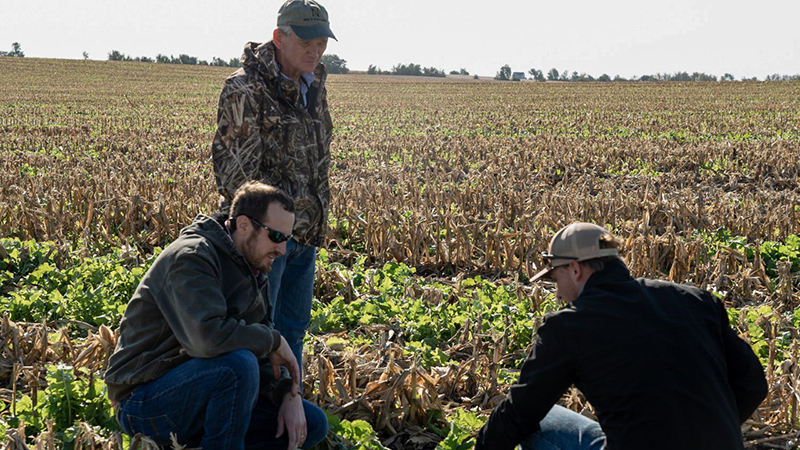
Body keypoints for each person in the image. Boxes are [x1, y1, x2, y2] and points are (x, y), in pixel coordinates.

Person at [475, 222, 768, 450]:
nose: (556, 291)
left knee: (542, 420)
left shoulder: (569, 326)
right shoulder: (694, 300)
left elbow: (518, 415)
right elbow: (753, 383)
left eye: (554, 277)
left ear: (575, 269)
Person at [105, 182, 328, 450]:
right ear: (244, 225)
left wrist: (287, 393)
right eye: (277, 237)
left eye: (288, 240)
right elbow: (208, 339)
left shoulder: (254, 267)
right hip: (144, 399)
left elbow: (259, 347)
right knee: (237, 365)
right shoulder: (192, 257)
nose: (282, 251)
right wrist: (273, 341)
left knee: (311, 423)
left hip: (204, 389)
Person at [211, 0, 336, 374]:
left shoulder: (313, 87)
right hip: (266, 239)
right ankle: (261, 413)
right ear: (279, 38)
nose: (315, 51)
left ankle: (288, 402)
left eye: (322, 43)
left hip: (305, 236)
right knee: (260, 334)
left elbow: (318, 160)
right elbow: (235, 175)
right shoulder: (244, 88)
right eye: (305, 42)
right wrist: (271, 232)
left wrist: (311, 218)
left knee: (293, 330)